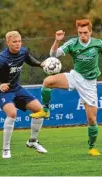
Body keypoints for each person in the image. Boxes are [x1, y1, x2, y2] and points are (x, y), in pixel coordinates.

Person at [30, 19, 102, 156]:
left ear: (91, 32)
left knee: (92, 120)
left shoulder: (98, 44)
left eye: (85, 32)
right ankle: (45, 110)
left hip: (90, 84)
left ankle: (92, 147)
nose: (83, 35)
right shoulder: (73, 43)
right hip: (75, 76)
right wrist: (57, 41)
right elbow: (53, 55)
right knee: (47, 81)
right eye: (80, 33)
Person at [0, 31, 48, 159]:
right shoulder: (1, 58)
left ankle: (32, 141)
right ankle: (6, 149)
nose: (18, 44)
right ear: (7, 43)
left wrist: (40, 64)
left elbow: (29, 60)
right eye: (14, 42)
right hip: (1, 91)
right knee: (12, 113)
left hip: (16, 88)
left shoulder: (23, 51)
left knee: (40, 110)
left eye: (19, 41)